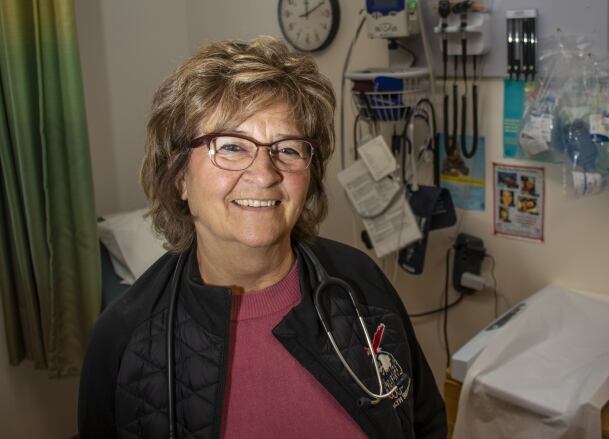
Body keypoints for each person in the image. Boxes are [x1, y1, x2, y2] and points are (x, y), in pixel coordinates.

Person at [78, 37, 446, 438]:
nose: (265, 173)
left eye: (287, 149)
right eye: (232, 146)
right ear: (180, 175)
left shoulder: (362, 283)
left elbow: (426, 423)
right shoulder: (121, 339)